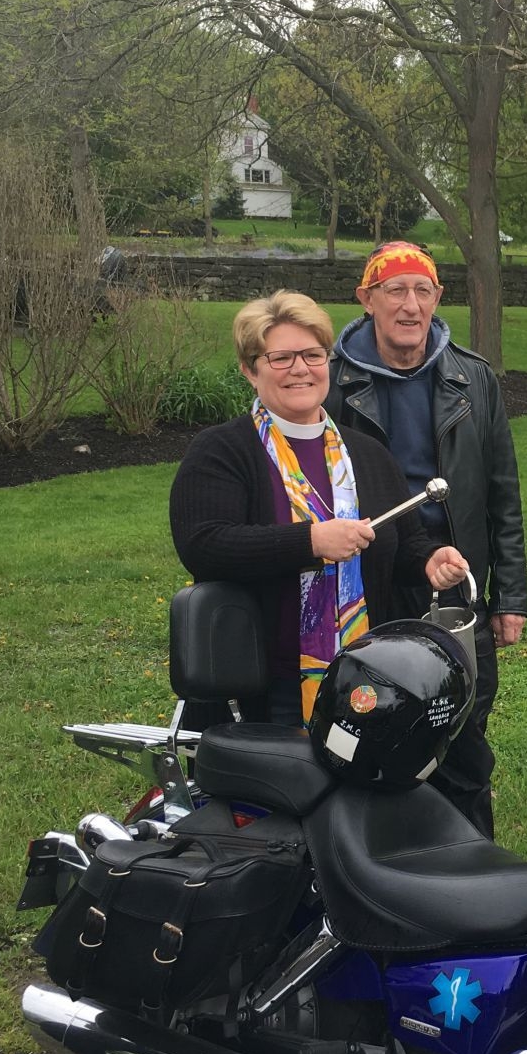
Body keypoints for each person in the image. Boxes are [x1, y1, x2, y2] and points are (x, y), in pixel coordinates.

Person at [170, 290, 470, 727]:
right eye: (281, 358)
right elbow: (204, 545)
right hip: (264, 689)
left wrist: (429, 561)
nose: (300, 369)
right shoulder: (222, 450)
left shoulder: (366, 453)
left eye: (312, 355)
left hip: (366, 679)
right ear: (249, 369)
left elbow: (401, 543)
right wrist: (311, 541)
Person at [326, 241, 527, 837]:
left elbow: (502, 494)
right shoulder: (332, 381)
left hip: (454, 582)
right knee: (374, 716)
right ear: (366, 301)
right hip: (369, 579)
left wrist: (510, 596)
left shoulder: (473, 378)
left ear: (439, 298)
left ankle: (469, 852)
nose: (410, 306)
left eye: (423, 291)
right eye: (395, 291)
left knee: (461, 720)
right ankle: (383, 851)